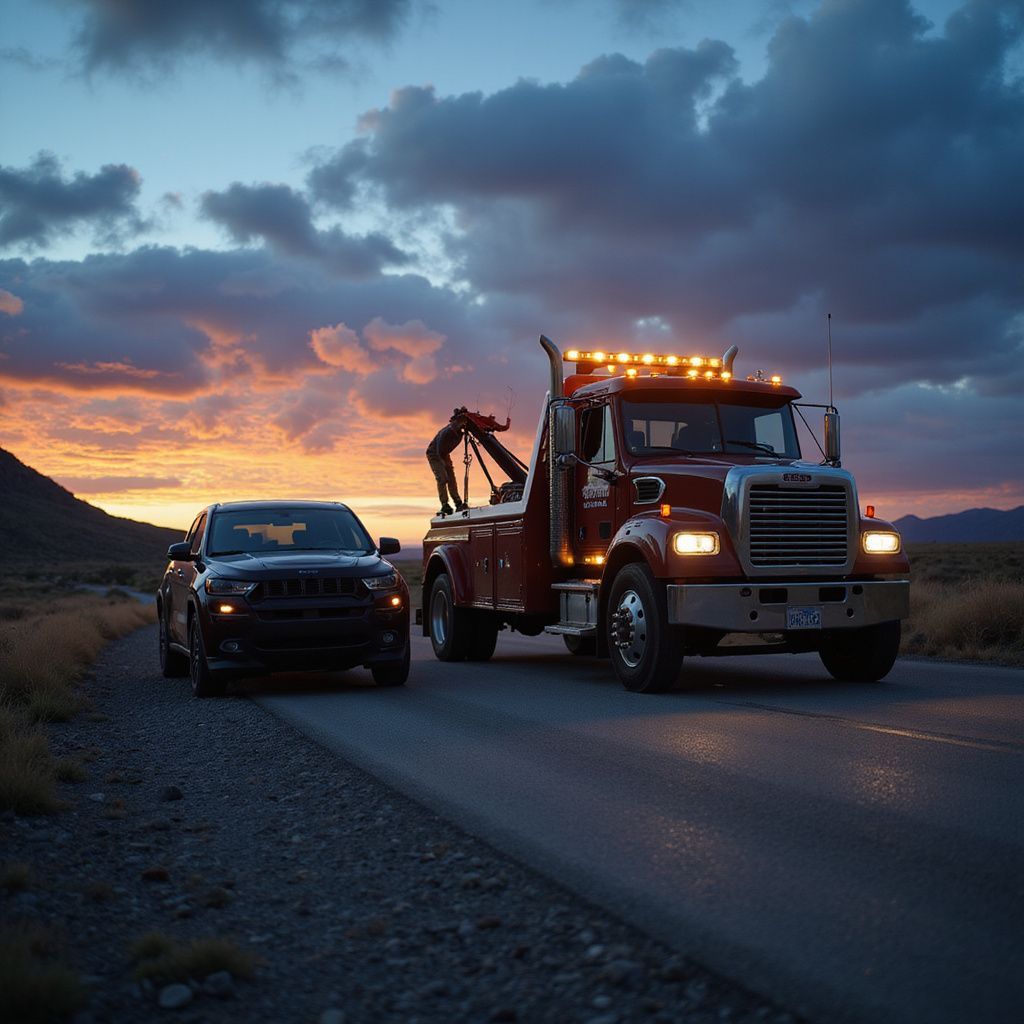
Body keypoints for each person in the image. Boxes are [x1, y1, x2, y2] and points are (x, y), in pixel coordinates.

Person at [426, 409, 468, 516]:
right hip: (435, 454)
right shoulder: (447, 431)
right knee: (443, 478)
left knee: (451, 478)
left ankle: (457, 502)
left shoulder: (460, 433)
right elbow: (439, 449)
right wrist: (443, 463)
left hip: (444, 454)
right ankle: (445, 504)